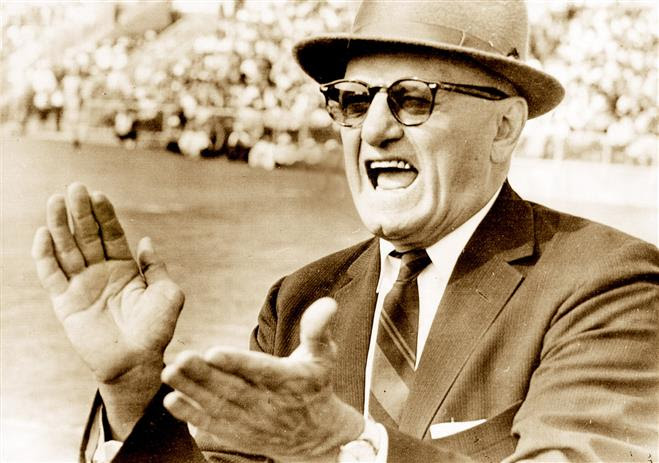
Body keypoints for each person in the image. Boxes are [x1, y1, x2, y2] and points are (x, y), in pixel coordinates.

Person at [32, 1, 658, 462]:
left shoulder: (609, 285)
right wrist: (133, 386)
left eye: (414, 98)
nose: (375, 130)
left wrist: (350, 447)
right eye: (355, 100)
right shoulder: (298, 301)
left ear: (504, 127)